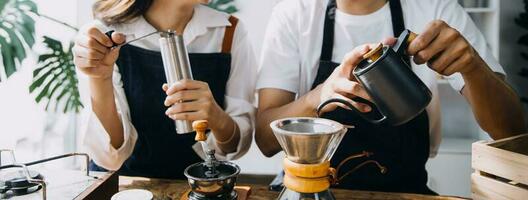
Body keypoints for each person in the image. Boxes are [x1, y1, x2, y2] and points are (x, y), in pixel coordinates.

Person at [256, 0, 526, 194]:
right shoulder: (293, 13)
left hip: (405, 190)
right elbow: (265, 140)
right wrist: (320, 95)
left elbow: (512, 132)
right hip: (309, 189)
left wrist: (473, 67)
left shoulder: (434, 8)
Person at [73, 0, 256, 179]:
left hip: (195, 186)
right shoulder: (103, 38)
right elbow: (108, 159)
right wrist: (100, 78)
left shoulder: (229, 31)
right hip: (122, 186)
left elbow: (234, 147)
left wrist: (216, 117)